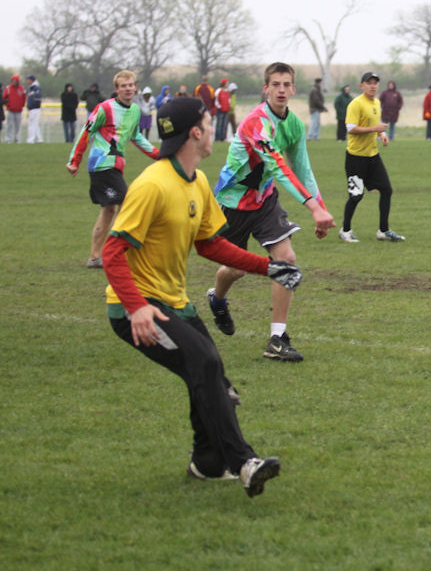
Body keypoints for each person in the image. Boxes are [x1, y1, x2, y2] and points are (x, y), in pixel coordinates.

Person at [102, 95, 293, 497]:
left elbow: (210, 244)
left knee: (209, 374)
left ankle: (206, 463)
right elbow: (112, 252)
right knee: (206, 364)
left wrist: (268, 267)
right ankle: (243, 462)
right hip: (136, 306)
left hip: (175, 303)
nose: (213, 132)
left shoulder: (198, 181)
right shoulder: (152, 184)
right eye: (208, 124)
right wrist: (136, 308)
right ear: (194, 132)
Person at [208, 61, 336, 362]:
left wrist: (322, 211)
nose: (281, 89)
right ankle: (217, 299)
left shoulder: (294, 125)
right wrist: (312, 207)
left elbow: (302, 170)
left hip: (265, 200)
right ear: (265, 88)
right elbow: (278, 167)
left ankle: (277, 339)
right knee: (235, 269)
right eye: (275, 84)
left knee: (286, 260)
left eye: (286, 84)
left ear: (293, 88)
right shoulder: (256, 122)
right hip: (233, 203)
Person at [66, 70, 161, 268]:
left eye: (131, 85)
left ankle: (95, 257)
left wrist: (157, 154)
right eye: (123, 86)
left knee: (109, 210)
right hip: (102, 164)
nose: (128, 89)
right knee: (128, 204)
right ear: (117, 89)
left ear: (136, 88)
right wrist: (75, 160)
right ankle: (116, 252)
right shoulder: (104, 108)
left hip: (116, 166)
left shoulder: (135, 110)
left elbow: (136, 136)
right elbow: (86, 132)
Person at [338, 71, 405, 244]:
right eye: (369, 83)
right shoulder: (356, 104)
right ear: (362, 86)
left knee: (387, 190)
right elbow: (351, 128)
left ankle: (384, 231)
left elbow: (375, 125)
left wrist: (381, 135)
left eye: (375, 83)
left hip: (373, 156)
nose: (373, 86)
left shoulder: (376, 102)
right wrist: (375, 129)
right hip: (355, 158)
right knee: (356, 195)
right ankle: (345, 230)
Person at [4, 75, 26, 143]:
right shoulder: (8, 88)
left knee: (18, 126)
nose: (14, 82)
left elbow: (24, 98)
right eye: (12, 80)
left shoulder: (22, 88)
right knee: (9, 126)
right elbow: (4, 98)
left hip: (18, 111)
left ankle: (17, 139)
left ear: (17, 81)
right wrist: (8, 105)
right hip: (10, 110)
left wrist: (21, 106)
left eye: (15, 81)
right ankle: (8, 139)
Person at [25, 75, 44, 144]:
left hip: (35, 109)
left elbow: (37, 99)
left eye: (28, 79)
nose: (27, 81)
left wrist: (32, 106)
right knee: (35, 124)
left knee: (32, 124)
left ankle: (31, 140)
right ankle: (39, 139)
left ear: (31, 80)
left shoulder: (36, 88)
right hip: (32, 109)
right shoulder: (32, 88)